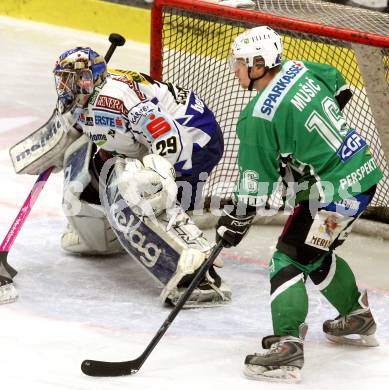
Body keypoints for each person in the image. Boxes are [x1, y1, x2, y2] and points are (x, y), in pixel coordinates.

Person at [216, 26, 382, 383]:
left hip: (331, 193)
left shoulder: (257, 116)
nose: (235, 70)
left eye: (240, 63)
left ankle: (287, 349)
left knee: (288, 258)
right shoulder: (302, 68)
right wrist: (303, 143)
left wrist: (237, 217)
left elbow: (254, 185)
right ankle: (356, 315)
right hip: (363, 176)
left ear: (259, 65)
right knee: (314, 252)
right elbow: (339, 86)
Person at [50, 46, 230, 308]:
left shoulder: (115, 99)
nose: (65, 86)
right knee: (99, 166)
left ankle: (201, 274)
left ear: (92, 78)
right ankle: (102, 230)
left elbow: (170, 138)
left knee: (147, 192)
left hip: (194, 138)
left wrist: (158, 181)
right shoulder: (85, 98)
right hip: (160, 136)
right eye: (62, 78)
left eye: (72, 79)